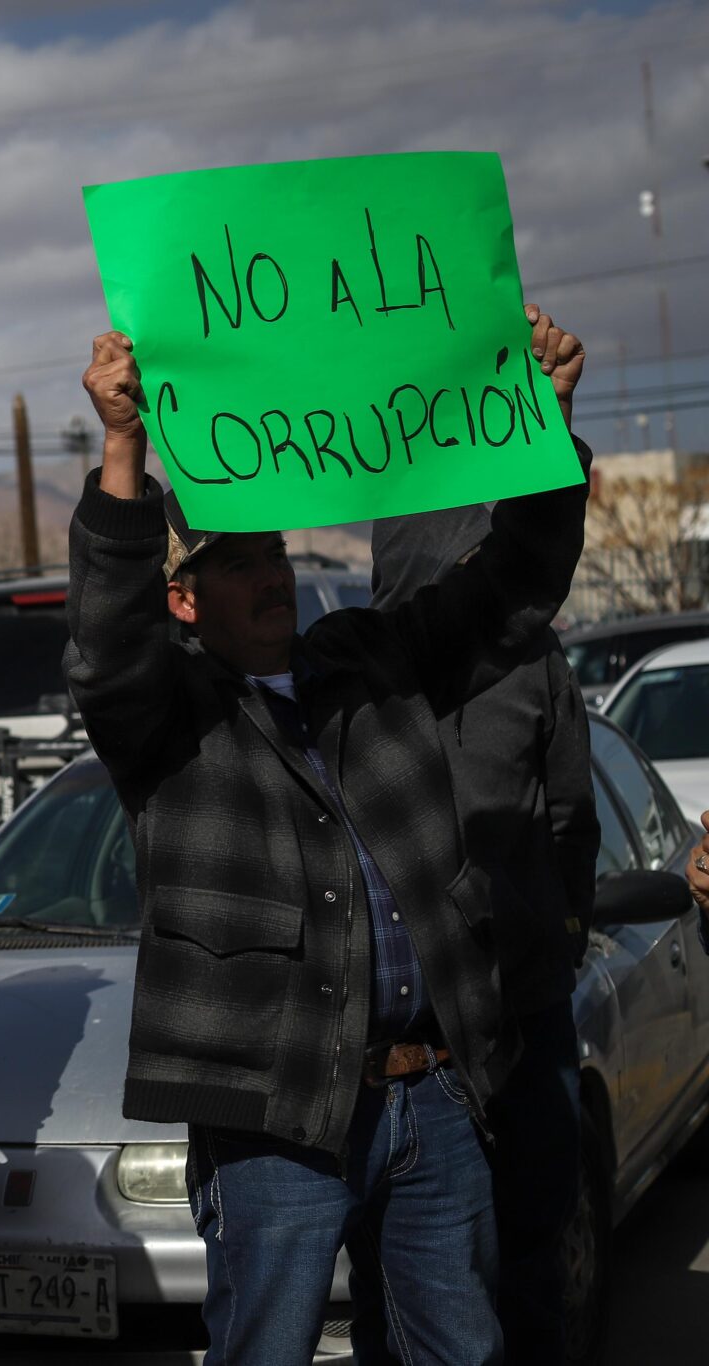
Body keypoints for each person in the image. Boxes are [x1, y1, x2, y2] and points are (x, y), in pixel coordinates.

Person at [65, 307, 589, 1364]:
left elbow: (512, 585)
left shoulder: (368, 657)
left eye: (272, 550)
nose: (267, 575)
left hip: (434, 1094)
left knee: (461, 1349)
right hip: (274, 1118)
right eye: (234, 561)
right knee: (268, 1346)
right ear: (181, 595)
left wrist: (542, 424)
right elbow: (105, 642)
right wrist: (123, 448)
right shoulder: (163, 716)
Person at [368, 507, 601, 1365]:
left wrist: (557, 940)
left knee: (531, 1246)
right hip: (411, 1039)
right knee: (410, 1279)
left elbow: (573, 823)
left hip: (525, 1012)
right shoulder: (364, 675)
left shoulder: (538, 667)